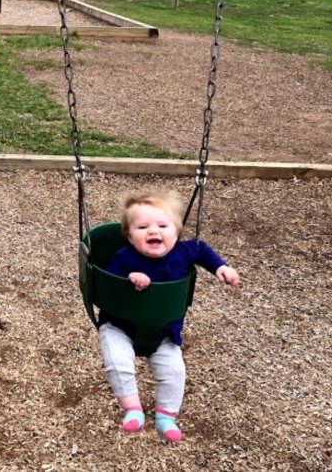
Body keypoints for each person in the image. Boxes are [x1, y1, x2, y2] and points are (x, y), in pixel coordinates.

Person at [98, 189, 240, 443]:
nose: (154, 231)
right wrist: (128, 277)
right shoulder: (124, 257)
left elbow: (203, 250)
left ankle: (166, 416)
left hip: (164, 331)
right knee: (118, 362)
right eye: (142, 227)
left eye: (163, 225)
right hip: (120, 326)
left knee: (175, 371)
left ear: (176, 232)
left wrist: (222, 267)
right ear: (130, 237)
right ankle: (132, 409)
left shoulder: (185, 252)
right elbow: (107, 281)